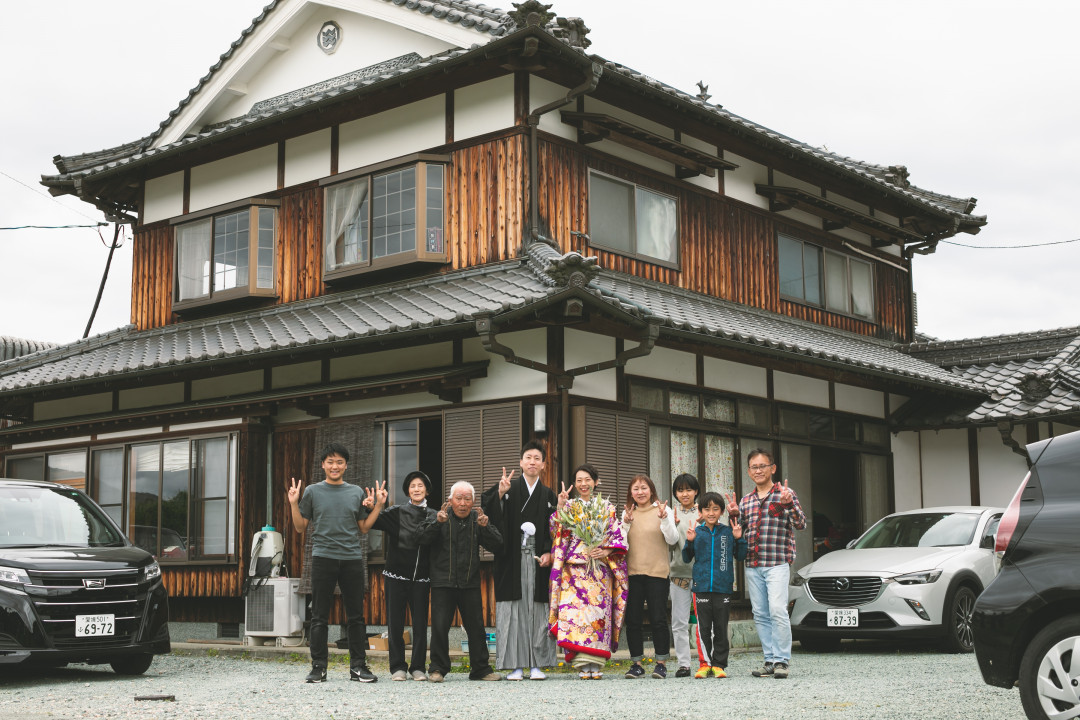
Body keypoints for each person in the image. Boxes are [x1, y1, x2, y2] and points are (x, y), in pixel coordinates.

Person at [287, 443, 387, 684]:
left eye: (340, 462)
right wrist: (293, 502)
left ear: (346, 465)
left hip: (352, 558)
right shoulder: (311, 491)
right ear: (323, 465)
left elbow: (363, 529)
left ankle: (358, 667)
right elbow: (300, 527)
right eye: (330, 462)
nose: (335, 466)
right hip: (323, 557)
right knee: (320, 616)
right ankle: (318, 667)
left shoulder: (355, 492)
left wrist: (380, 506)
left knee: (356, 616)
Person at [481, 441, 558, 680]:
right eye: (528, 457)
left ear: (543, 465)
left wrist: (549, 552)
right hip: (512, 559)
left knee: (538, 610)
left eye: (537, 458)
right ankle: (515, 665)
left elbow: (554, 528)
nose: (532, 462)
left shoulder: (548, 495)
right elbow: (487, 506)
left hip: (538, 560)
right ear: (521, 462)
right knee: (513, 611)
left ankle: (537, 664)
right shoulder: (508, 487)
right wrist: (500, 493)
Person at [727, 448, 806, 680]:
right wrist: (733, 515)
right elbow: (738, 532)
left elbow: (801, 524)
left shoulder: (785, 493)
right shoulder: (746, 500)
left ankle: (782, 660)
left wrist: (789, 504)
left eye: (763, 466)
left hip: (777, 562)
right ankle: (770, 659)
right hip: (753, 563)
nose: (758, 470)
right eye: (754, 467)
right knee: (760, 613)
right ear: (749, 471)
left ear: (773, 468)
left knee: (777, 610)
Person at [417, 481, 503, 682]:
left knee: (476, 628)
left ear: (473, 502)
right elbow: (420, 537)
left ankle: (481, 669)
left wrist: (487, 527)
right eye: (458, 498)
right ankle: (437, 669)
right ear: (450, 500)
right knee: (439, 627)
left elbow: (498, 544)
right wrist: (436, 523)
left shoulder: (478, 519)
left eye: (467, 499)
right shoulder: (439, 516)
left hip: (469, 582)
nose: (463, 503)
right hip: (442, 583)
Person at [548, 463, 628, 679]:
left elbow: (616, 534)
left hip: (600, 571)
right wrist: (560, 507)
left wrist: (606, 550)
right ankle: (583, 666)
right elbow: (556, 530)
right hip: (573, 571)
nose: (583, 484)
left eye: (588, 480)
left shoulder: (607, 507)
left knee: (597, 617)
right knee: (576, 617)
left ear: (596, 482)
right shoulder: (570, 505)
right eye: (579, 480)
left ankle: (596, 665)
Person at [370, 470, 437, 681]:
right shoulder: (397, 511)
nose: (416, 489)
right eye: (412, 486)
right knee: (395, 623)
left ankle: (418, 667)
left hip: (422, 577)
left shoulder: (435, 515)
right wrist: (374, 505)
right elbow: (373, 521)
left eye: (420, 485)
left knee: (419, 624)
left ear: (426, 489)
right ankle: (397, 667)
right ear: (407, 490)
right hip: (396, 575)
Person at [619, 474, 679, 679]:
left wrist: (663, 519)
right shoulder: (627, 513)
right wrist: (625, 524)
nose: (640, 492)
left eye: (644, 488)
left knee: (658, 619)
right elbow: (620, 546)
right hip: (633, 574)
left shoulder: (663, 510)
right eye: (635, 489)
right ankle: (636, 663)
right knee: (633, 620)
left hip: (657, 573)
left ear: (651, 490)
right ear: (631, 493)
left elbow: (672, 540)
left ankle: (661, 663)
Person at [682, 492, 747, 678]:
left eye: (715, 509)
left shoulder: (727, 532)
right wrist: (689, 541)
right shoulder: (697, 532)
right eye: (707, 509)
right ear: (700, 512)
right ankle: (704, 664)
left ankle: (719, 664)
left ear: (722, 511)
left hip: (723, 587)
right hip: (701, 587)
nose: (711, 513)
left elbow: (740, 556)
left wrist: (738, 538)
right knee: (703, 628)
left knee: (720, 626)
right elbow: (687, 558)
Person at [667, 473, 701, 678]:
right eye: (680, 490)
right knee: (679, 622)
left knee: (705, 622)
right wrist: (669, 523)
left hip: (702, 575)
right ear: (675, 494)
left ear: (696, 491)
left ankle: (708, 660)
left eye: (689, 489)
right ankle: (684, 664)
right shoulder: (671, 513)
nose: (685, 493)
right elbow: (669, 544)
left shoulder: (705, 512)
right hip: (678, 573)